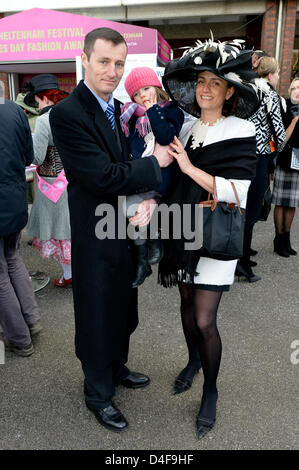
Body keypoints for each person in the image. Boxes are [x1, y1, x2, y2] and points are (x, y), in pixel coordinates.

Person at [49, 27, 173, 432]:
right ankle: (97, 394)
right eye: (103, 61)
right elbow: (100, 176)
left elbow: (122, 172)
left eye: (119, 63)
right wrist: (156, 163)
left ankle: (117, 368)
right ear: (83, 59)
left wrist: (149, 196)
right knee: (97, 313)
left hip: (122, 228)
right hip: (93, 231)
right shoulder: (67, 113)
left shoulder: (118, 106)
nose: (112, 70)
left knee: (123, 308)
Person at [158, 38, 258, 439]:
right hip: (184, 230)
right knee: (185, 302)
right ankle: (193, 361)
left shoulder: (241, 128)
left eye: (215, 83)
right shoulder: (189, 125)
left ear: (229, 91)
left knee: (205, 318)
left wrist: (187, 166)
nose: (205, 88)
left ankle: (211, 390)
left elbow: (237, 192)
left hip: (216, 236)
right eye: (201, 81)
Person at [120, 66, 184, 287]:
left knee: (141, 209)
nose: (142, 95)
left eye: (146, 88)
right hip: (138, 176)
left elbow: (166, 135)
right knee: (128, 209)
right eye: (137, 93)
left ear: (156, 87)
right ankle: (141, 262)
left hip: (162, 178)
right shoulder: (129, 117)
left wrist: (153, 110)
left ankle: (154, 236)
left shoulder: (172, 110)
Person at [236, 56, 286, 281]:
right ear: (269, 75)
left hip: (240, 157)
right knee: (251, 212)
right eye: (276, 74)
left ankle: (240, 256)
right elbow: (279, 132)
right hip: (260, 158)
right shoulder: (270, 95)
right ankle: (242, 264)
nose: (277, 77)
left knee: (240, 210)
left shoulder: (245, 90)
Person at [0, 94, 41, 357]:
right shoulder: (15, 111)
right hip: (14, 198)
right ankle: (32, 320)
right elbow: (29, 156)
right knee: (12, 259)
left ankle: (18, 337)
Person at [24, 74, 72, 287]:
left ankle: (69, 275)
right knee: (70, 232)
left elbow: (37, 157)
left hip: (51, 185)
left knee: (60, 233)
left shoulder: (44, 121)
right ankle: (75, 274)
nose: (35, 103)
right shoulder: (72, 115)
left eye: (36, 98)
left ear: (43, 98)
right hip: (72, 181)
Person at [272, 77, 299, 256]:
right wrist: (295, 121)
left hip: (298, 161)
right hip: (284, 157)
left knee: (292, 203)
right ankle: (278, 238)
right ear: (289, 90)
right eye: (294, 88)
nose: (297, 91)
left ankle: (286, 239)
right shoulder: (284, 107)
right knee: (281, 202)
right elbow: (280, 139)